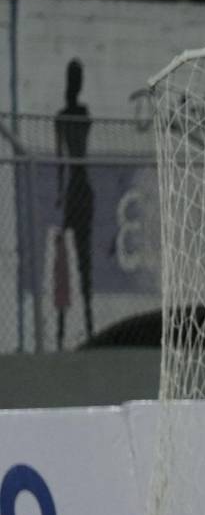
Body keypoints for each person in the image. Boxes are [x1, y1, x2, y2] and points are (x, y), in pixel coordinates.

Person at [54, 58, 95, 348]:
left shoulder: (80, 113)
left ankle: (89, 323)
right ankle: (60, 327)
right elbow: (60, 161)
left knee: (84, 258)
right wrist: (59, 198)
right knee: (64, 261)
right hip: (72, 190)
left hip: (80, 188)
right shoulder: (65, 116)